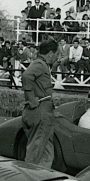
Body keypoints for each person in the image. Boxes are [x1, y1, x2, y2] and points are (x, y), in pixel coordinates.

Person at [21, 39, 58, 168]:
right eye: (56, 54)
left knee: (47, 153)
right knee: (35, 153)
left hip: (43, 109)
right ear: (50, 53)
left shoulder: (41, 64)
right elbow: (26, 76)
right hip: (40, 109)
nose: (56, 57)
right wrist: (31, 99)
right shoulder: (40, 64)